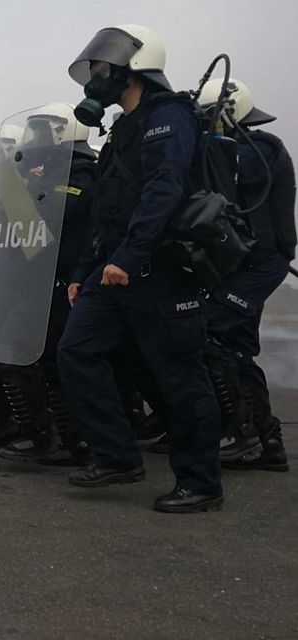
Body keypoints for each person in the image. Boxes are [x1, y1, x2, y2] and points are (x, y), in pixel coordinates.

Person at [58, 24, 223, 512]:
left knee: (179, 377)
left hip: (162, 267)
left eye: (103, 67)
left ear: (135, 67)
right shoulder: (122, 130)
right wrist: (83, 272)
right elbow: (106, 211)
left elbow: (163, 191)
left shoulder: (169, 116)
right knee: (76, 350)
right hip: (113, 269)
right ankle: (117, 456)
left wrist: (129, 257)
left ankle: (201, 483)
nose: (96, 78)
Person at [198, 78, 296, 472]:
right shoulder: (232, 149)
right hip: (243, 265)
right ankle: (266, 442)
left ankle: (244, 432)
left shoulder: (260, 149)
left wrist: (211, 142)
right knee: (236, 346)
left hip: (260, 264)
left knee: (211, 330)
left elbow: (236, 178)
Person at [0, 105, 97, 466]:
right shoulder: (52, 172)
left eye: (40, 131)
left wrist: (33, 185)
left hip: (64, 284)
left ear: (63, 132)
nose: (33, 140)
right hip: (40, 282)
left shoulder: (82, 172)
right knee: (43, 362)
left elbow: (59, 210)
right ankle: (65, 440)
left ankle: (51, 438)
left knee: (27, 355)